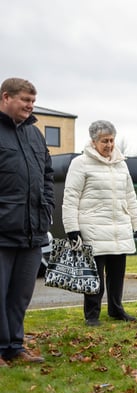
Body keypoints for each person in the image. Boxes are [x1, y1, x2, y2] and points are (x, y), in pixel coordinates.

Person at [62, 120, 137, 327]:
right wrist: (72, 228)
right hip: (93, 228)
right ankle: (92, 315)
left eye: (111, 140)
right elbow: (71, 196)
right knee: (94, 275)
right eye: (104, 141)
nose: (109, 145)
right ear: (93, 141)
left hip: (119, 228)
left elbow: (130, 196)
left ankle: (116, 309)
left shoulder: (121, 164)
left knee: (117, 274)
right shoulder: (80, 163)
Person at [0, 77, 54, 366]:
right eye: (25, 100)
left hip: (33, 231)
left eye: (33, 101)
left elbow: (47, 174)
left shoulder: (35, 135)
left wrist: (46, 208)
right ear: (6, 97)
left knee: (20, 295)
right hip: (2, 232)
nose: (31, 106)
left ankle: (13, 347)